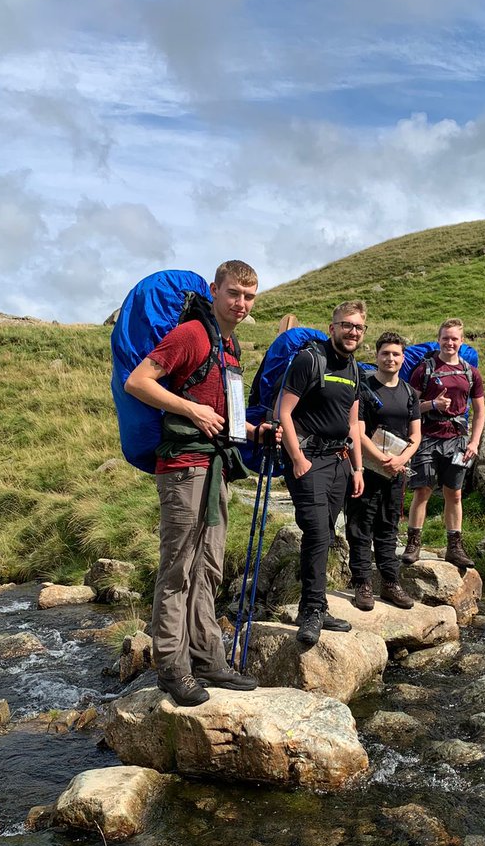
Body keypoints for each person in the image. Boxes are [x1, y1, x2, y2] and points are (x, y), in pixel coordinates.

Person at [124, 260, 262, 706]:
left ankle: (207, 658)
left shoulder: (230, 346)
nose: (241, 303)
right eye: (234, 293)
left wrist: (257, 432)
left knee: (209, 567)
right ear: (214, 291)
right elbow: (137, 382)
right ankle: (172, 668)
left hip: (216, 465)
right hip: (184, 467)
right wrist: (191, 410)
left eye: (249, 296)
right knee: (178, 568)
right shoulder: (192, 335)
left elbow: (226, 416)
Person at [278, 301, 367, 645]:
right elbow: (284, 412)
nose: (352, 332)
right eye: (346, 325)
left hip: (339, 461)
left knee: (325, 534)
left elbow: (353, 423)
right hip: (309, 458)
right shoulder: (310, 360)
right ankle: (313, 610)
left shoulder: (354, 369)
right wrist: (297, 458)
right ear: (332, 328)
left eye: (358, 327)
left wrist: (357, 468)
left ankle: (315, 606)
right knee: (316, 532)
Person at [402, 318, 485, 569]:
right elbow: (410, 407)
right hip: (427, 438)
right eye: (445, 338)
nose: (450, 343)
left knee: (454, 494)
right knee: (422, 491)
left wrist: (474, 442)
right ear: (438, 339)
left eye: (454, 339)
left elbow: (480, 411)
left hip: (457, 441)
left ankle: (454, 548)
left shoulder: (471, 373)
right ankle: (413, 544)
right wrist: (433, 405)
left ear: (461, 341)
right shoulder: (424, 370)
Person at [346, 331, 421, 611]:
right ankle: (362, 584)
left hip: (396, 472)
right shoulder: (364, 388)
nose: (391, 358)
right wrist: (380, 458)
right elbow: (357, 430)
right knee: (360, 527)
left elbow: (416, 435)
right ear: (376, 356)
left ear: (403, 358)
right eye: (385, 353)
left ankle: (390, 583)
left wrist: (401, 460)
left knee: (389, 527)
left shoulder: (409, 393)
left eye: (396, 354)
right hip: (365, 469)